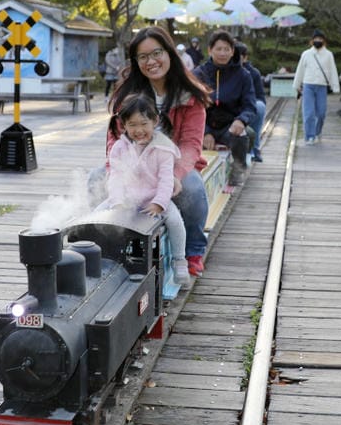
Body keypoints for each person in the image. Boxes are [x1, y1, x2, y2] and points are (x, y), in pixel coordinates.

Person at [102, 26, 212, 277]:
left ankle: (193, 250)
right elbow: (114, 139)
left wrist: (174, 173)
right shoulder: (128, 95)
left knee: (192, 188)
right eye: (143, 57)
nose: (151, 61)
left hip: (170, 164)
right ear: (136, 61)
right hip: (133, 164)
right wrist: (114, 172)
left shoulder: (189, 96)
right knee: (95, 181)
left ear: (170, 53)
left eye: (156, 53)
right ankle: (105, 244)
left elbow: (190, 144)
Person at [98, 93, 190, 286]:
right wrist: (117, 202)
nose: (138, 130)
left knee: (175, 221)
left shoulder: (163, 149)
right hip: (126, 198)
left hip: (154, 198)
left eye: (143, 123)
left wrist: (158, 203)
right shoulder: (119, 148)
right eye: (132, 125)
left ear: (155, 121)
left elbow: (166, 180)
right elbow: (115, 177)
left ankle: (180, 259)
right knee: (98, 215)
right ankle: (102, 258)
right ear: (123, 125)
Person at [194, 30, 257, 186]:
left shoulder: (243, 75)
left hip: (229, 126)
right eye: (218, 49)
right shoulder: (198, 74)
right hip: (203, 125)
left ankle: (238, 170)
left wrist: (241, 120)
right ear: (210, 50)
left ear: (232, 51)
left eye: (226, 49)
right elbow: (192, 108)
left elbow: (250, 105)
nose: (222, 53)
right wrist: (205, 132)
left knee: (246, 134)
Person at [292, 28, 340, 145]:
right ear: (312, 40)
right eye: (316, 39)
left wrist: (335, 87)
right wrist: (297, 85)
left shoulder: (328, 55)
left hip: (322, 86)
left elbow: (333, 70)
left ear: (323, 41)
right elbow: (300, 70)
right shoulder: (306, 54)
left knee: (321, 113)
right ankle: (309, 136)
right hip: (308, 85)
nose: (318, 40)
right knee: (308, 113)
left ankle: (318, 132)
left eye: (320, 39)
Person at [237, 42, 266, 163]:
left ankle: (255, 148)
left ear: (245, 57)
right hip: (232, 105)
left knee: (258, 108)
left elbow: (260, 96)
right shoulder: (226, 71)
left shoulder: (253, 73)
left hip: (250, 104)